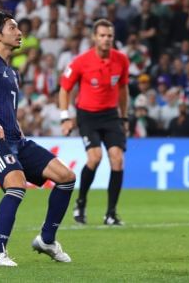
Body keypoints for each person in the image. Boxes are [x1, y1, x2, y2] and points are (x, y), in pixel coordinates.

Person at [0, 11, 75, 266]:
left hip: (16, 137)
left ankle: (47, 239)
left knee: (66, 177)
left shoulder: (10, 70)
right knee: (16, 184)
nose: (19, 32)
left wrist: (15, 126)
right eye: (12, 28)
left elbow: (5, 104)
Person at [59, 19, 130, 226]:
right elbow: (64, 89)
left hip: (110, 115)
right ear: (94, 37)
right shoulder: (81, 61)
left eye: (109, 36)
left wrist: (124, 116)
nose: (106, 39)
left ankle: (111, 213)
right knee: (95, 158)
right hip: (87, 115)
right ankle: (80, 203)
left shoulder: (121, 60)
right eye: (102, 35)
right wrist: (65, 117)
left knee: (117, 159)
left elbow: (124, 89)